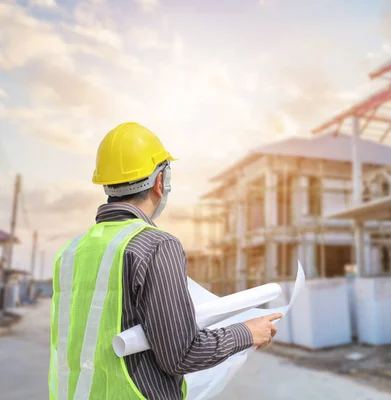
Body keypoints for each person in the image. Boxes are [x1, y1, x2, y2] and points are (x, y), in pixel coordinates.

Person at [48, 122, 282, 400]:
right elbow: (182, 354)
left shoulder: (71, 252)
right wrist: (247, 332)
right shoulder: (156, 245)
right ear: (160, 181)